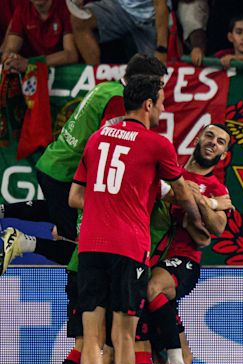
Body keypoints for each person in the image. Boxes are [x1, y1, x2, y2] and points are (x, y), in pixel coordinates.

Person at [68, 74, 208, 364]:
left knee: (92, 337)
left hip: (90, 245)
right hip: (127, 247)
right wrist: (196, 220)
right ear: (148, 104)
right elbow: (183, 193)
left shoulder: (97, 138)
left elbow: (74, 197)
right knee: (122, 336)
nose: (161, 109)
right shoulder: (157, 143)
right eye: (160, 103)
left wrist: (107, 200)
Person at [0, 53, 168, 277]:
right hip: (66, 173)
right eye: (158, 85)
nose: (160, 93)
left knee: (59, 212)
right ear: (142, 80)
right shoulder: (119, 100)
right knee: (81, 247)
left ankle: (6, 216)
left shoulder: (107, 88)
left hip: (56, 165)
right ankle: (21, 242)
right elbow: (109, 142)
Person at [149, 123, 233, 364]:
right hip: (150, 257)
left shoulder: (217, 190)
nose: (213, 143)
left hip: (183, 262)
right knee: (155, 351)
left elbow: (217, 228)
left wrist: (201, 201)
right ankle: (179, 358)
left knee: (150, 290)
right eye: (209, 135)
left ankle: (176, 361)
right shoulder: (173, 174)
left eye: (220, 142)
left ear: (224, 154)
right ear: (198, 137)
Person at [70, 0, 170, 65]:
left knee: (155, 70)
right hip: (121, 9)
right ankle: (95, 76)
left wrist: (161, 48)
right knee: (79, 19)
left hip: (151, 19)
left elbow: (160, 6)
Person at [1, 0, 78, 73]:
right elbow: (10, 49)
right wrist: (9, 60)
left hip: (62, 71)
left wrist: (31, 63)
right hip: (33, 73)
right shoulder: (22, 9)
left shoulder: (65, 7)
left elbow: (71, 54)